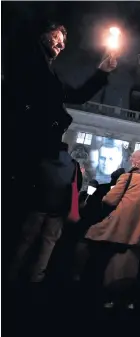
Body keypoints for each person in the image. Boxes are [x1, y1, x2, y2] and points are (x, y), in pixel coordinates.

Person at [3, 19, 117, 239]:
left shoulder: (49, 73)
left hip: (35, 149)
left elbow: (77, 96)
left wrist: (102, 72)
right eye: (57, 37)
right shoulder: (26, 58)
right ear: (42, 34)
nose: (62, 45)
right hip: (21, 145)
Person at [8, 118, 83, 285]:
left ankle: (12, 272)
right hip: (57, 211)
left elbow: (29, 181)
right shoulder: (72, 165)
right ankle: (37, 276)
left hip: (37, 206)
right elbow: (76, 187)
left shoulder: (42, 160)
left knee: (25, 241)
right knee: (48, 245)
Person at [82, 151, 140, 309]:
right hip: (137, 231)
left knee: (97, 255)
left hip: (117, 228)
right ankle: (122, 299)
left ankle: (93, 295)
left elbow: (110, 200)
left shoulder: (128, 177)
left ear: (137, 162)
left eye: (132, 159)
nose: (130, 160)